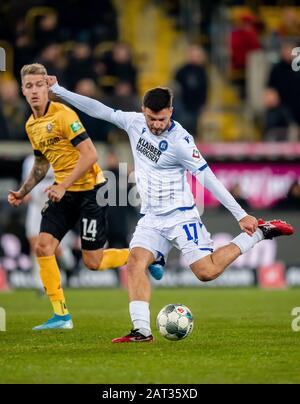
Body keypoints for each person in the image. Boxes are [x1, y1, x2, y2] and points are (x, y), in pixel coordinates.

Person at [48, 77, 294, 342]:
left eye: (162, 119)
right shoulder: (134, 123)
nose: (156, 125)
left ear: (171, 113)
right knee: (134, 263)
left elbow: (207, 178)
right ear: (144, 111)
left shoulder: (181, 142)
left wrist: (241, 214)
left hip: (180, 216)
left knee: (206, 272)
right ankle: (141, 331)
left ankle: (260, 233)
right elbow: (99, 109)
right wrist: (60, 91)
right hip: (152, 217)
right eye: (152, 119)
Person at [7, 63, 131, 331]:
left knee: (93, 262)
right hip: (65, 193)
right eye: (29, 86)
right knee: (42, 246)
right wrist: (23, 191)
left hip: (90, 191)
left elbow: (91, 155)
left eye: (40, 84)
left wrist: (62, 185)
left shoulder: (64, 114)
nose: (35, 90)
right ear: (23, 92)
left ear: (47, 86)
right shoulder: (32, 126)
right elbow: (41, 165)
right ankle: (61, 315)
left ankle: (141, 256)